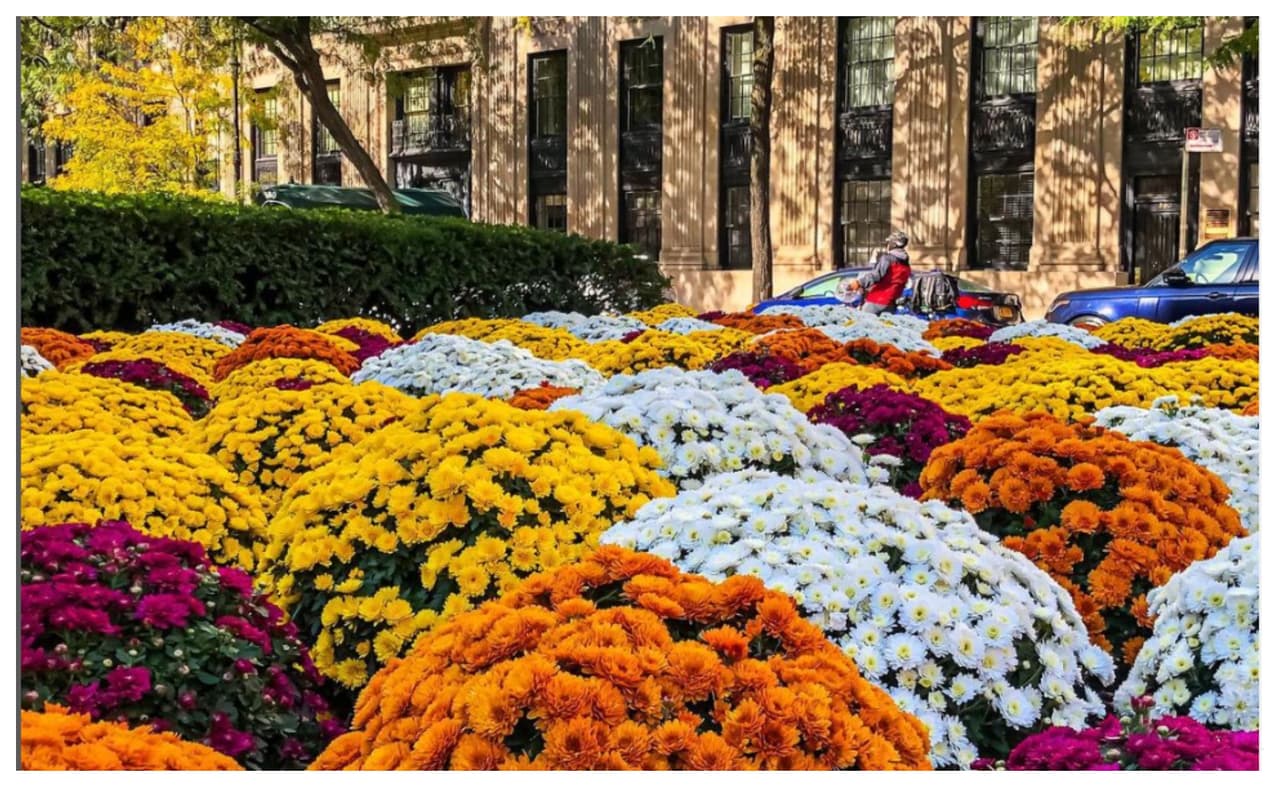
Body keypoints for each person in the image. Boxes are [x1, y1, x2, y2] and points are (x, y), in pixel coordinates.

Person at [845, 230, 911, 314]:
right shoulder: (906, 264)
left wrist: (858, 283)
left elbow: (876, 275)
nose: (887, 245)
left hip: (876, 300)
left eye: (889, 243)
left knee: (864, 324)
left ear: (894, 244)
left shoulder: (887, 259)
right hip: (891, 304)